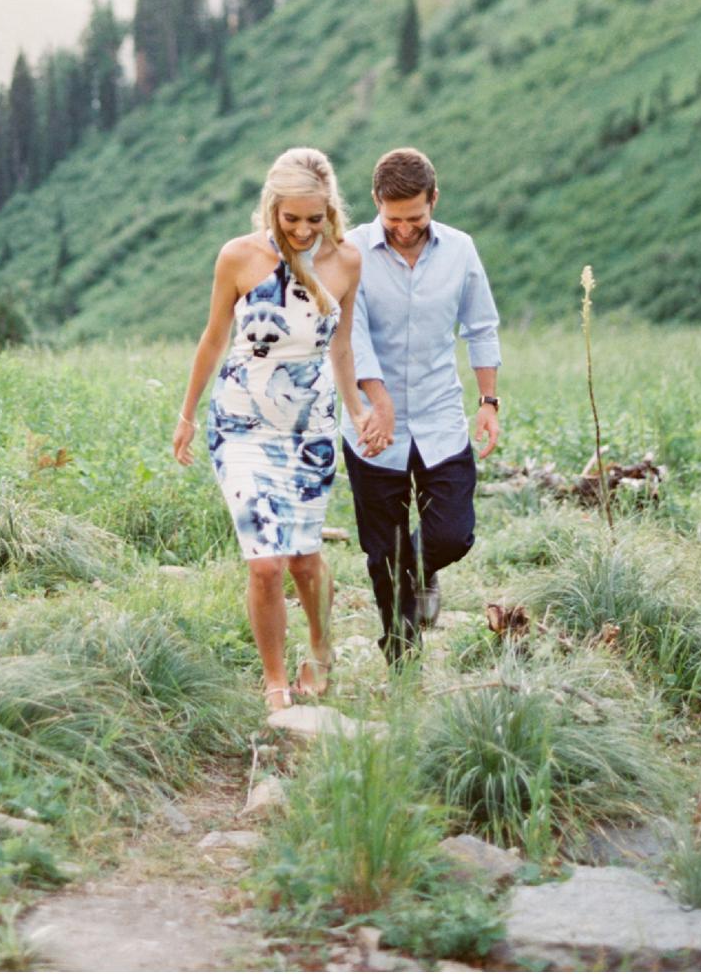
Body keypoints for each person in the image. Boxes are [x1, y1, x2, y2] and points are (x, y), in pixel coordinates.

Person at [172, 146, 383, 708]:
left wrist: (357, 408)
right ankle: (273, 681)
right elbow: (214, 338)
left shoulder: (347, 261)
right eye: (291, 219)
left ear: (330, 210)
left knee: (303, 558)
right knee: (265, 563)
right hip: (239, 423)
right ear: (272, 209)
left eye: (314, 219)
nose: (302, 230)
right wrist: (187, 413)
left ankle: (320, 647)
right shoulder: (237, 258)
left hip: (309, 427)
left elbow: (340, 344)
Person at [342, 147, 502, 663]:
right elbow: (350, 334)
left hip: (439, 417)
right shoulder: (350, 253)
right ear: (376, 203)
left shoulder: (460, 250)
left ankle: (424, 567)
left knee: (453, 535)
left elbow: (481, 325)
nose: (405, 229)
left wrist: (489, 401)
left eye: (416, 217)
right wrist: (378, 402)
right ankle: (401, 662)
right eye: (393, 219)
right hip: (371, 423)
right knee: (383, 555)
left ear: (435, 199)